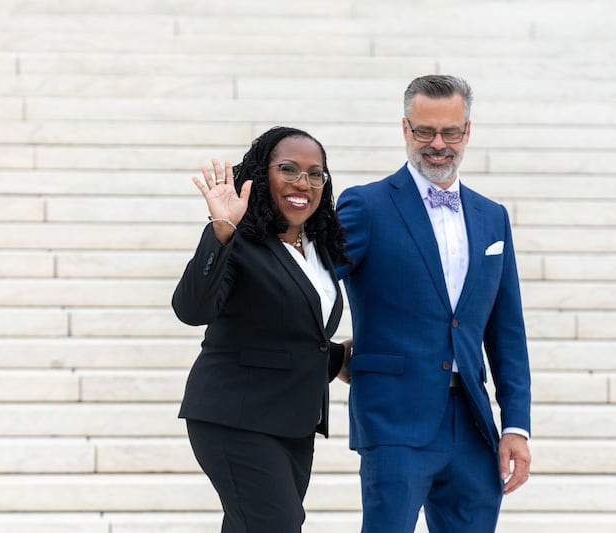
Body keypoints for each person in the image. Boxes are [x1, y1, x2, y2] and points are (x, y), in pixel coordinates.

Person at [335, 75, 532, 532]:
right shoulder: (366, 205)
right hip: (394, 420)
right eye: (425, 131)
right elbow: (312, 284)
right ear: (405, 129)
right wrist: (328, 353)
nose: (438, 144)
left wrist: (515, 426)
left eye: (450, 132)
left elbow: (507, 334)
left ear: (468, 132)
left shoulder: (492, 217)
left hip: (473, 425)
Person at [172, 126, 352, 533]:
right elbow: (191, 309)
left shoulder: (317, 249)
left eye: (314, 173)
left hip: (292, 422)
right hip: (236, 419)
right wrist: (220, 230)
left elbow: (286, 330)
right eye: (288, 169)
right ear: (261, 174)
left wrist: (338, 356)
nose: (302, 183)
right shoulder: (240, 241)